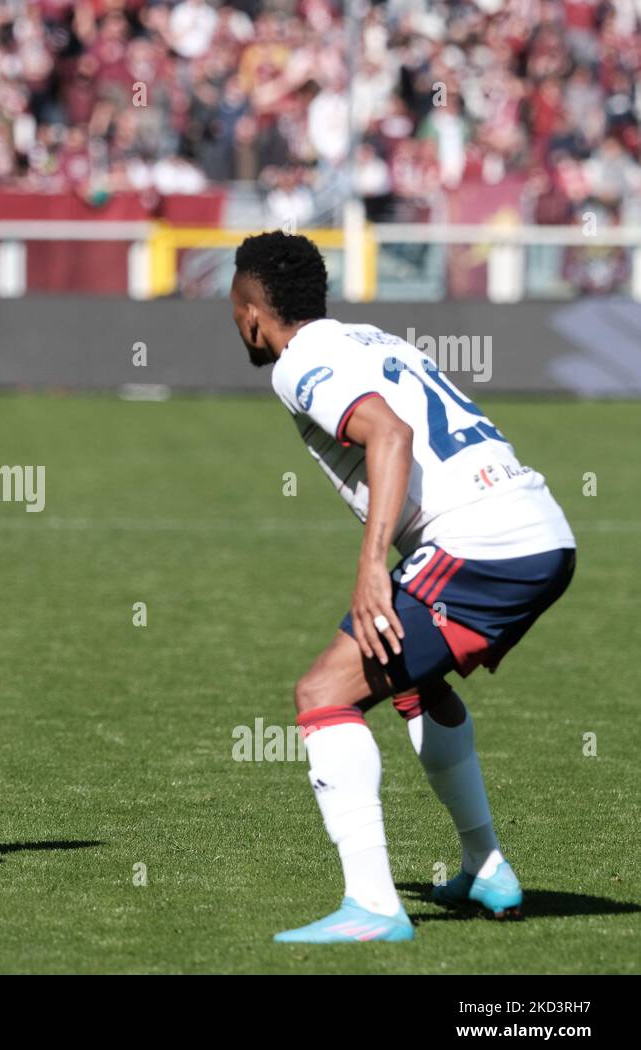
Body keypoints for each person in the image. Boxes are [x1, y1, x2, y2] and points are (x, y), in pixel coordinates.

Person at [229, 231, 576, 942]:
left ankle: (374, 906)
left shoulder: (298, 362)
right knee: (416, 681)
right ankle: (485, 866)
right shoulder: (371, 337)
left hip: (485, 543)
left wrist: (369, 570)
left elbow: (388, 434)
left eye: (235, 307)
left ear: (253, 314)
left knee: (323, 692)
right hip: (538, 529)